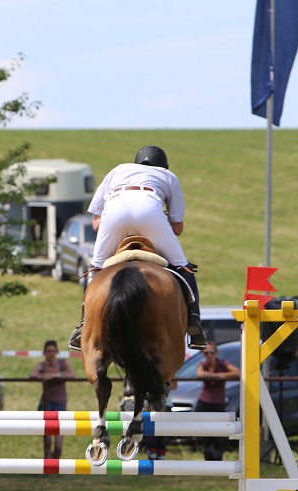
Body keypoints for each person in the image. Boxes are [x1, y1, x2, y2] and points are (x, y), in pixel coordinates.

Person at [67, 145, 207, 351]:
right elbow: (177, 228)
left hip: (114, 211)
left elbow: (96, 224)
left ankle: (84, 324)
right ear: (164, 166)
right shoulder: (168, 176)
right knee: (183, 266)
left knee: (95, 267)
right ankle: (195, 323)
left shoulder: (117, 170)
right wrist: (158, 219)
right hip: (149, 210)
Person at [29, 339, 76, 459]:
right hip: (46, 404)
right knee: (47, 440)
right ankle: (48, 466)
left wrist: (55, 375)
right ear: (44, 353)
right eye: (48, 351)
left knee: (59, 443)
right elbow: (32, 375)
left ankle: (55, 465)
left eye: (53, 351)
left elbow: (72, 374)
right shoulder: (41, 366)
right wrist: (42, 376)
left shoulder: (63, 364)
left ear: (57, 352)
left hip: (60, 404)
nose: (51, 354)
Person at [194, 342, 239, 461]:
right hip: (204, 402)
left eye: (211, 352)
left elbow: (237, 372)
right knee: (205, 433)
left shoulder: (223, 363)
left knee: (219, 434)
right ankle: (208, 459)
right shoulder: (202, 364)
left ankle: (218, 459)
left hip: (218, 403)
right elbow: (200, 374)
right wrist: (221, 376)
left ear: (216, 353)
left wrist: (213, 376)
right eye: (206, 353)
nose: (209, 355)